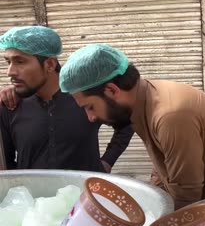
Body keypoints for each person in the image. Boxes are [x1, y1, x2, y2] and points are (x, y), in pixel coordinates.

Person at [58, 43, 205, 209]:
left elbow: (186, 195)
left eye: (90, 107)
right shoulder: (143, 103)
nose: (90, 118)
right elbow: (166, 170)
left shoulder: (170, 115)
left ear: (112, 90)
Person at [0, 26, 133, 172]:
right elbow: (6, 162)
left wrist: (108, 160)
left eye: (20, 62)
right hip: (32, 193)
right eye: (8, 62)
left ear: (50, 64)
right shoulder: (10, 105)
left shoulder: (84, 98)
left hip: (84, 192)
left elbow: (127, 122)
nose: (10, 72)